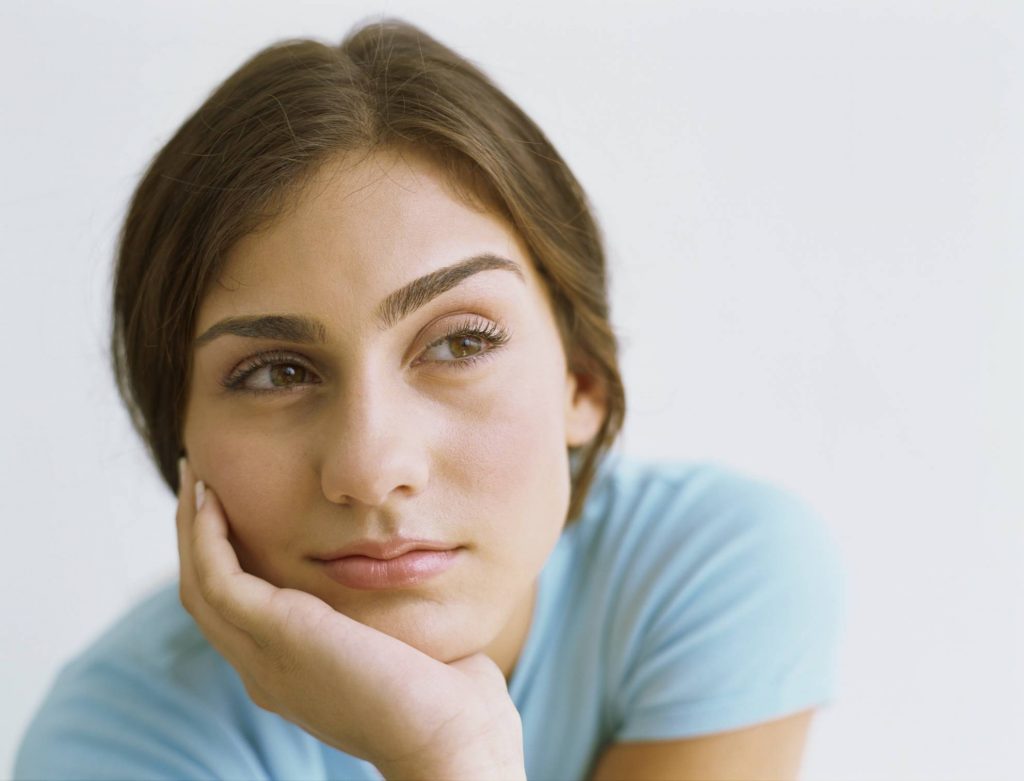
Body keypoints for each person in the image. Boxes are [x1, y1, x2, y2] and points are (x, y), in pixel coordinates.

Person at [14, 16, 844, 781]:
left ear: (582, 381)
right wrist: (444, 753)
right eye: (276, 372)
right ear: (180, 435)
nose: (371, 468)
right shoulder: (117, 743)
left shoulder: (712, 574)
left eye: (459, 344)